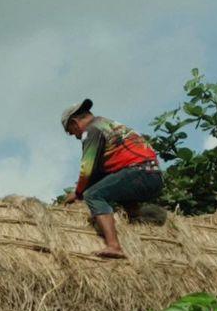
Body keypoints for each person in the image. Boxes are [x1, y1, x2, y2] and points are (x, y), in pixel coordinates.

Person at [61, 98, 163, 258]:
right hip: (154, 176)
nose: (75, 136)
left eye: (71, 132)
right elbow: (101, 170)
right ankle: (136, 222)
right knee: (113, 187)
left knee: (93, 195)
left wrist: (79, 192)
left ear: (75, 123)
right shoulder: (110, 125)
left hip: (138, 173)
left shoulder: (91, 130)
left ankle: (114, 246)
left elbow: (87, 168)